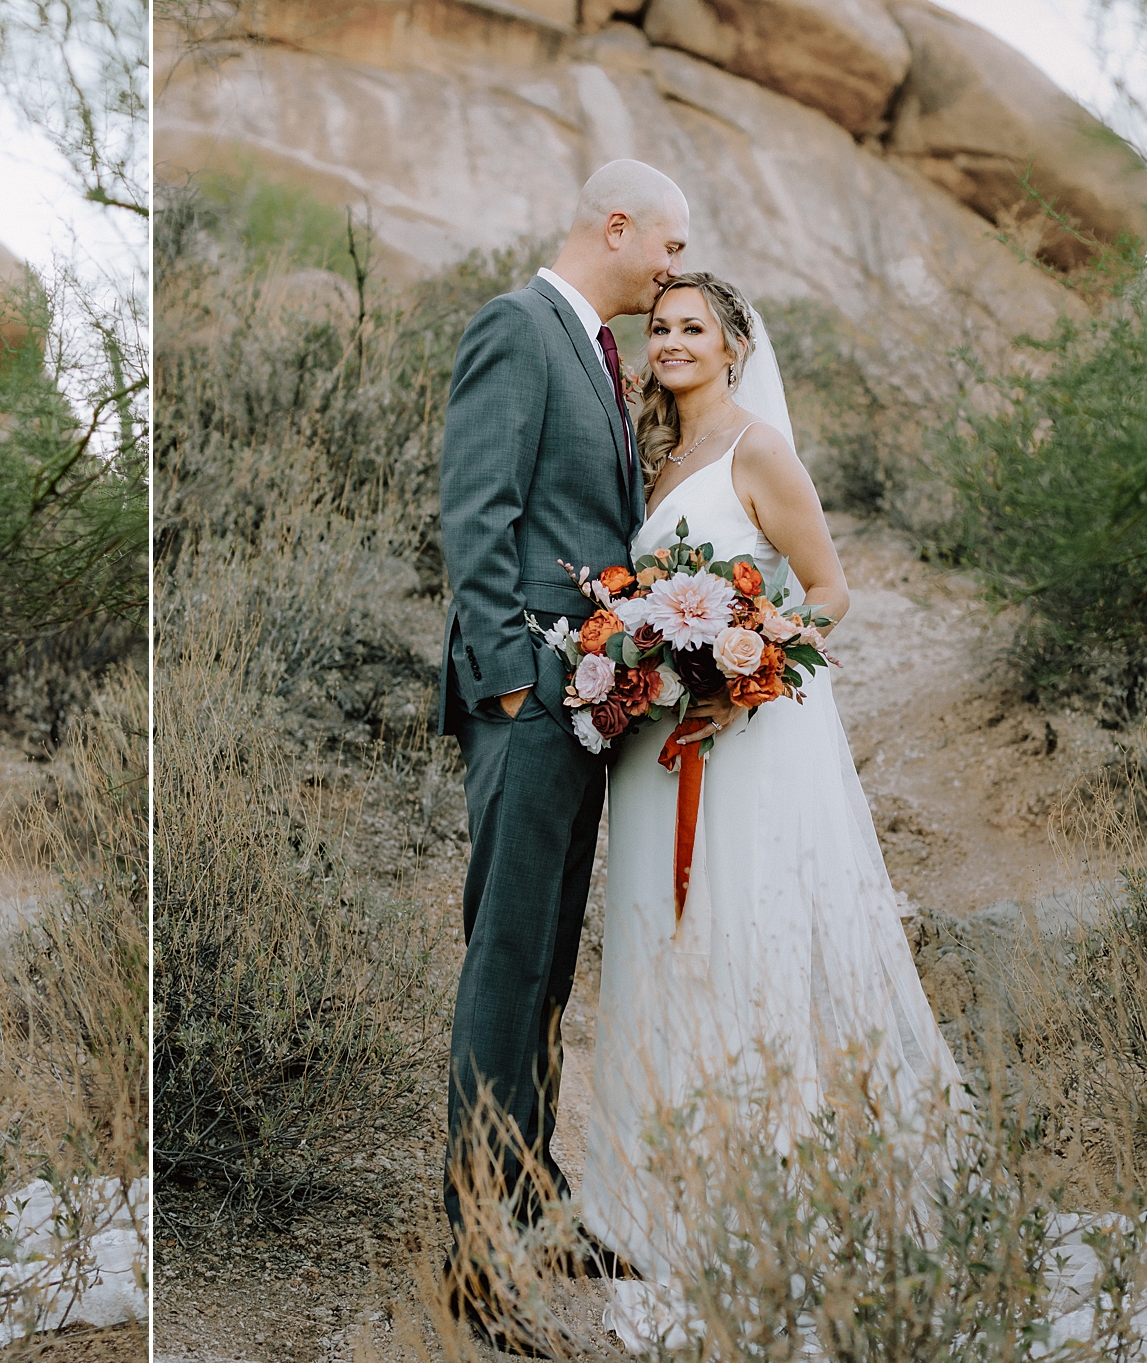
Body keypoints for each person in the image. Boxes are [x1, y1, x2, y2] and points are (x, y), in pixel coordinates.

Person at [580, 272, 965, 1344]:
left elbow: (827, 588)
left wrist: (743, 666)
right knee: (657, 939)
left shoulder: (757, 449)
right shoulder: (651, 457)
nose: (668, 342)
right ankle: (640, 1197)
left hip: (742, 737)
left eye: (691, 327)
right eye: (657, 328)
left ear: (734, 346)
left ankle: (759, 1190)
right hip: (653, 743)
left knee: (736, 937)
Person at [431, 159, 688, 1348]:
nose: (672, 271)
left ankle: (532, 1195)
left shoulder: (596, 353)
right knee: (504, 965)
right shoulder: (516, 327)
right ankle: (474, 1260)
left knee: (544, 970)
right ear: (618, 225)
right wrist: (506, 684)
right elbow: (475, 510)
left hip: (583, 705)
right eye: (668, 248)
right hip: (529, 703)